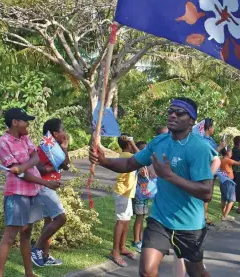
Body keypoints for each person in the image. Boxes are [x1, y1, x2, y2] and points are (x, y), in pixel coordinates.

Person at [90, 97, 214, 277]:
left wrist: (170, 176)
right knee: (147, 271)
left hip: (189, 225)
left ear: (192, 120)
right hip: (160, 220)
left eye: (179, 113)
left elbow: (207, 192)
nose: (173, 115)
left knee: (197, 273)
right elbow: (130, 164)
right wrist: (103, 161)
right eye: (170, 111)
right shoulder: (159, 142)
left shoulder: (199, 148)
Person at [0, 108, 61, 277]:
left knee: (26, 234)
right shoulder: (2, 143)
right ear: (15, 122)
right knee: (9, 237)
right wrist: (46, 182)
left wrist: (22, 166)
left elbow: (36, 158)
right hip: (16, 194)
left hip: (33, 192)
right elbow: (22, 176)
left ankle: (29, 273)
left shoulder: (25, 138)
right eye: (25, 120)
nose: (28, 124)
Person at [31, 118, 71, 267]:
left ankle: (45, 255)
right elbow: (39, 168)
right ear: (54, 133)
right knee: (61, 219)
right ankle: (35, 248)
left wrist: (65, 147)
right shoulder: (44, 147)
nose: (65, 133)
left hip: (51, 187)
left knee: (49, 221)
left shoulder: (58, 147)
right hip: (44, 187)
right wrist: (54, 167)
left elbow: (66, 165)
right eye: (63, 130)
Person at [108, 134, 140, 267]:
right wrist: (132, 143)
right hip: (122, 193)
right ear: (128, 145)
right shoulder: (127, 156)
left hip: (127, 193)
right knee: (121, 222)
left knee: (126, 221)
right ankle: (115, 252)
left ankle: (122, 247)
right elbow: (141, 155)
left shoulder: (125, 156)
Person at [202, 118, 225, 225]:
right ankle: (204, 217)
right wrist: (220, 147)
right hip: (207, 171)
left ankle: (204, 215)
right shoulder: (204, 141)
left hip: (212, 171)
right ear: (209, 127)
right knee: (205, 195)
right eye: (213, 127)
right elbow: (209, 156)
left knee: (208, 195)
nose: (214, 129)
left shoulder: (211, 140)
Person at [132, 141, 150, 252]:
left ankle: (141, 238)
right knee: (139, 218)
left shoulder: (146, 164)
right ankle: (136, 241)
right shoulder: (138, 164)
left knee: (142, 217)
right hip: (139, 195)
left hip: (145, 195)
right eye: (143, 149)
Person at [219, 146, 240, 221]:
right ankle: (225, 216)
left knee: (223, 198)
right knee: (231, 200)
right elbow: (238, 163)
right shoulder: (227, 160)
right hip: (229, 181)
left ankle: (223, 213)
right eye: (231, 152)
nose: (232, 154)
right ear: (227, 153)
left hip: (223, 181)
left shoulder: (221, 159)